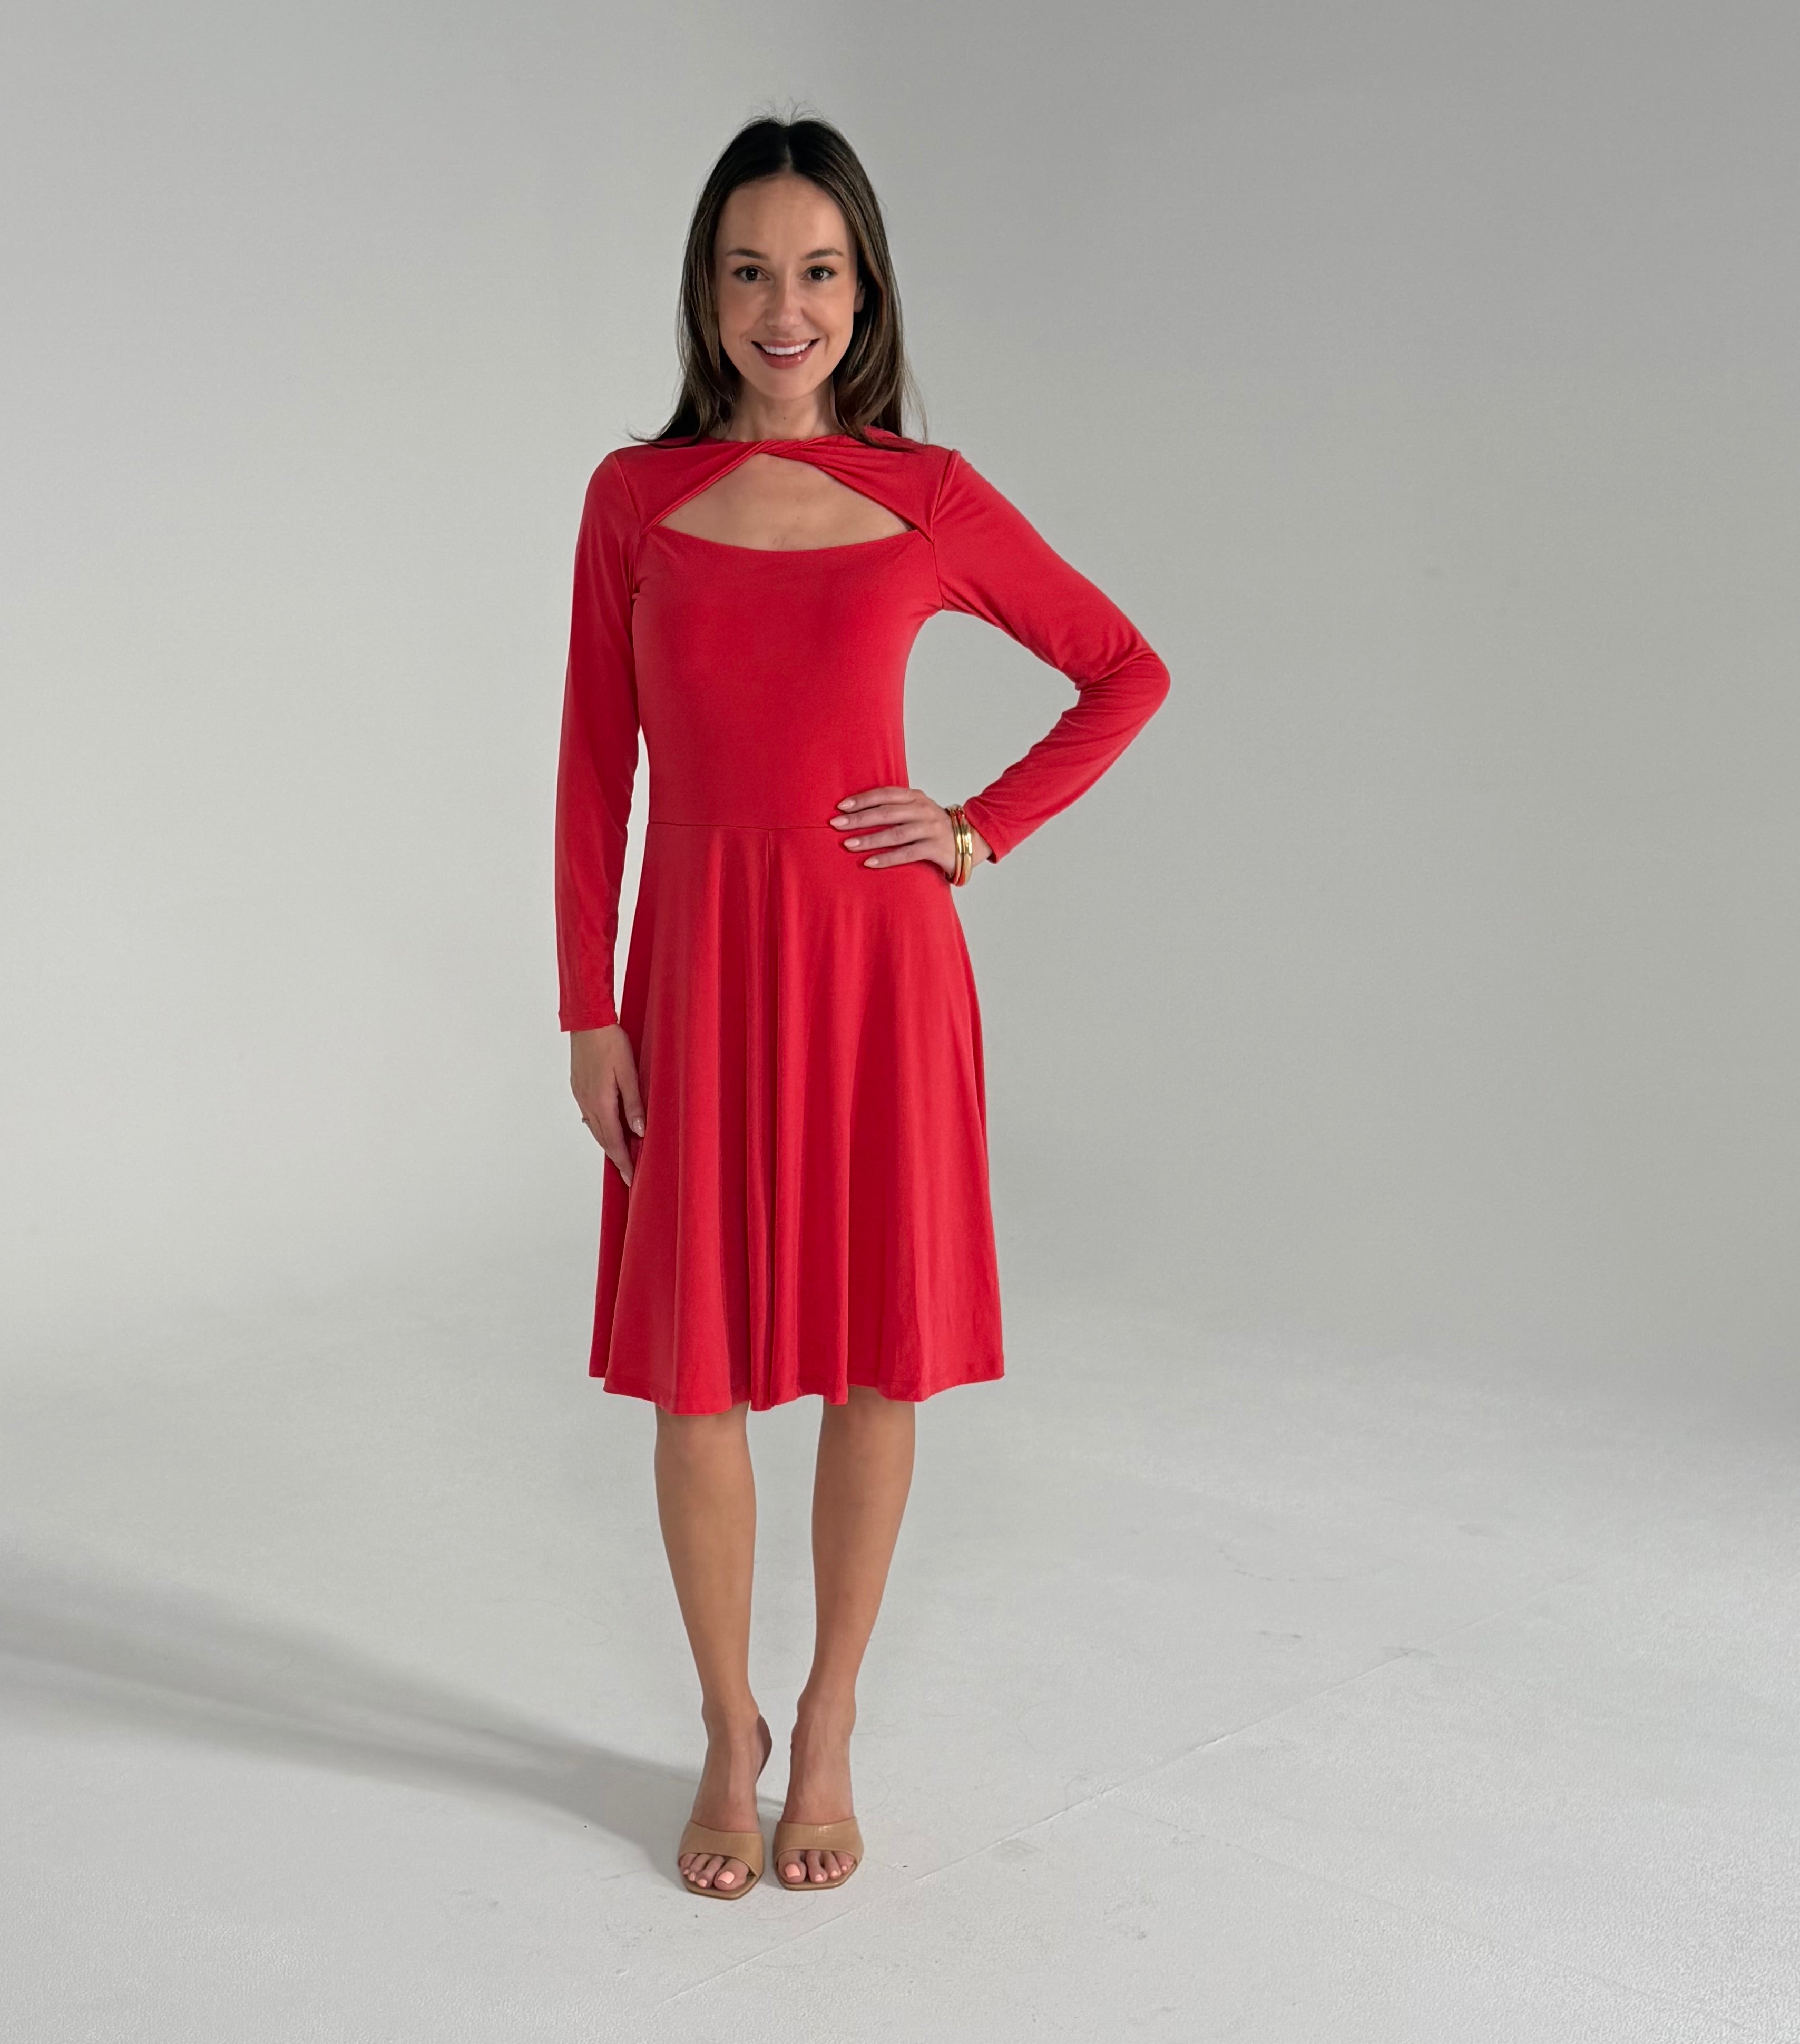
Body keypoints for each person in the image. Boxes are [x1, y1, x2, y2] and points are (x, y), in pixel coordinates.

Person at [553, 114, 1171, 1900]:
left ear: (866, 287)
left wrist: (975, 827)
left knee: (876, 1353)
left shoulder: (932, 495)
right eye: (749, 268)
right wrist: (589, 1005)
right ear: (706, 288)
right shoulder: (632, 499)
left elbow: (1124, 670)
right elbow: (598, 768)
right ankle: (723, 1722)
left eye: (818, 270)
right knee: (700, 1366)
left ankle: (825, 1725)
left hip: (877, 973)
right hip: (694, 972)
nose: (784, 306)